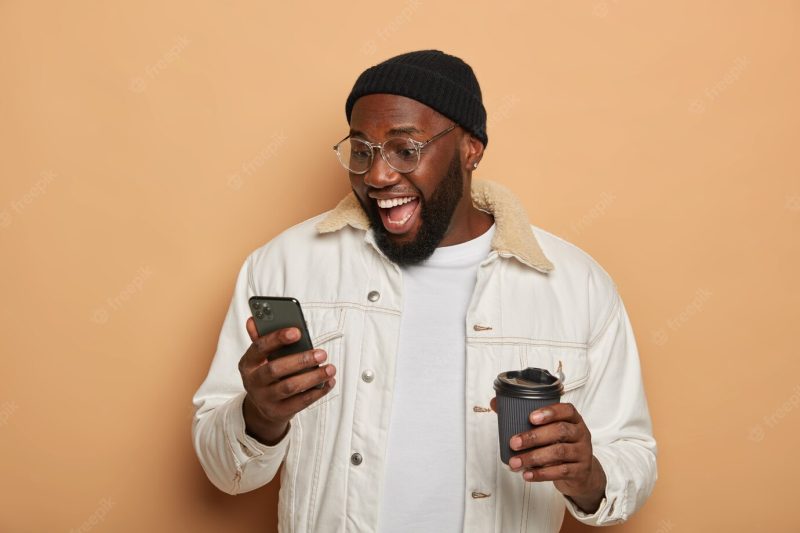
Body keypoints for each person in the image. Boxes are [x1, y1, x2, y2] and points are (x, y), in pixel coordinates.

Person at [192, 50, 657, 533]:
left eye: (405, 149)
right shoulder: (284, 265)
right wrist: (259, 417)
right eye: (361, 150)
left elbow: (632, 457)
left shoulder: (573, 284)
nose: (377, 176)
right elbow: (226, 474)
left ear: (470, 149)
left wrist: (587, 475)